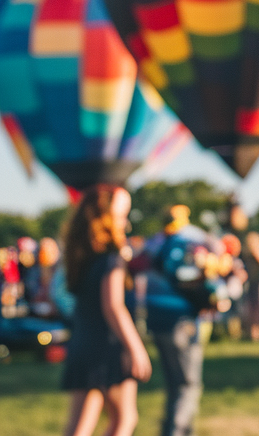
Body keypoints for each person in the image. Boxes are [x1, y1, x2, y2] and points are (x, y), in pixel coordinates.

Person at [61, 185, 152, 436]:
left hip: (83, 341)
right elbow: (113, 305)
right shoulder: (111, 258)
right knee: (124, 419)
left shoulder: (82, 256)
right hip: (107, 345)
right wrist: (135, 347)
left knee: (81, 423)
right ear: (106, 217)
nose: (127, 225)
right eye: (123, 217)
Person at [141, 205, 216, 436]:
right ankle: (177, 431)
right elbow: (181, 274)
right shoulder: (185, 242)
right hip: (179, 319)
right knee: (188, 385)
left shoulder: (153, 242)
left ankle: (172, 430)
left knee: (175, 383)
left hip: (156, 317)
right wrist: (206, 281)